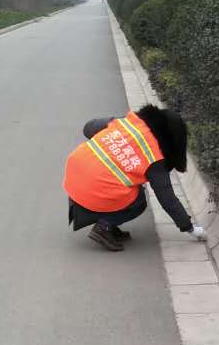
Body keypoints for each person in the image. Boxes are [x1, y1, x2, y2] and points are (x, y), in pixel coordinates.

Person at [63, 104, 206, 251]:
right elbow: (167, 199)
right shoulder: (154, 157)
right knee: (138, 201)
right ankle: (104, 226)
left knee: (127, 186)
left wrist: (113, 142)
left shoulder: (128, 122)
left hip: (74, 175)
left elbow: (88, 128)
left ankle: (110, 225)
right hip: (92, 188)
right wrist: (190, 228)